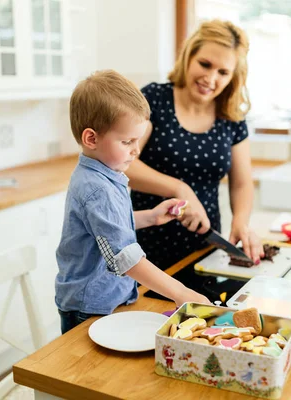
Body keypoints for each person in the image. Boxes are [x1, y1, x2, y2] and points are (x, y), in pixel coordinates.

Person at [55, 70, 210, 334]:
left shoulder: (106, 174)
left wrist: (150, 216)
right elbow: (125, 257)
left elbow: (104, 230)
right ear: (91, 138)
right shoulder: (96, 188)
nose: (136, 151)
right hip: (89, 308)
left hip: (110, 299)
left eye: (137, 140)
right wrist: (180, 292)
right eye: (127, 141)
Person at [127, 19, 264, 270]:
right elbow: (124, 165)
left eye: (223, 72)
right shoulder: (154, 99)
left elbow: (242, 182)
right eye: (205, 64)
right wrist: (179, 189)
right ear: (189, 56)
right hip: (145, 245)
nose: (211, 78)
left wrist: (241, 223)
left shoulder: (231, 116)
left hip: (206, 248)